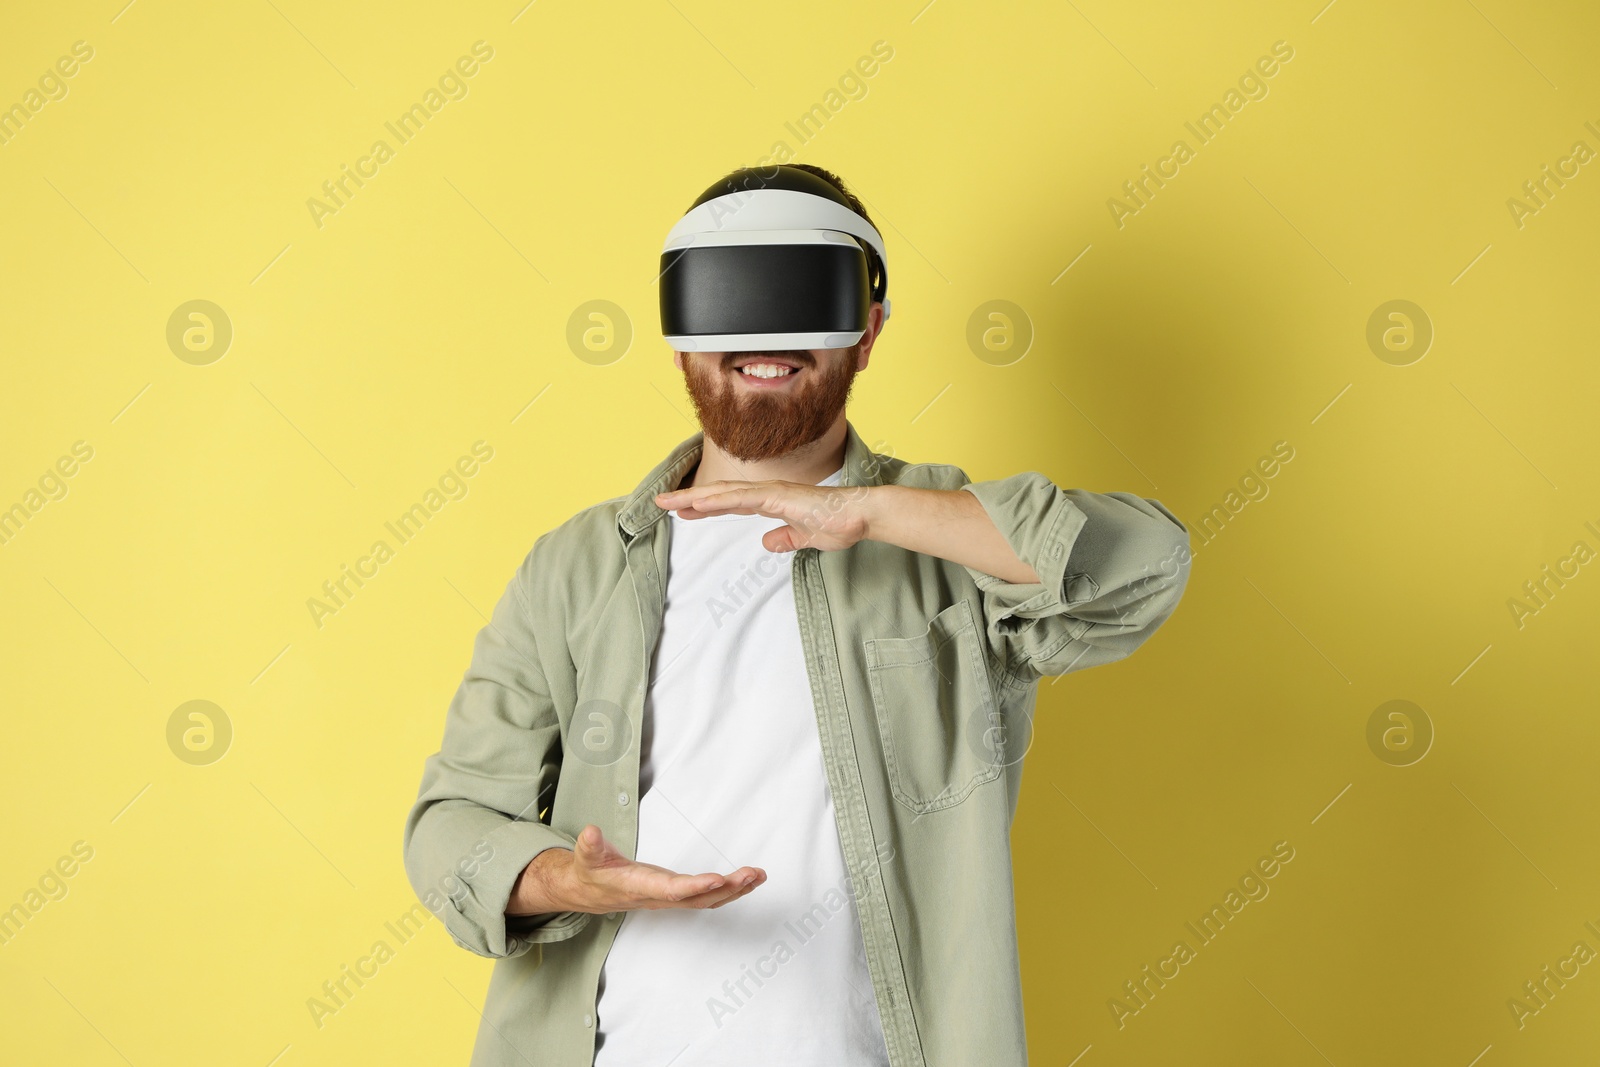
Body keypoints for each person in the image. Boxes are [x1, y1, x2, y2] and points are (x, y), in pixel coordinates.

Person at [402, 163, 1192, 1067]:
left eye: (800, 294)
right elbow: (452, 819)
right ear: (677, 333)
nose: (763, 334)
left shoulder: (950, 548)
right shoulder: (573, 569)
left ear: (867, 331)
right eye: (728, 295)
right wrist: (562, 878)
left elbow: (1148, 566)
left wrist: (880, 510)